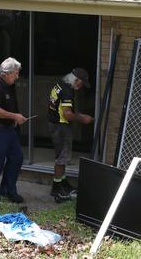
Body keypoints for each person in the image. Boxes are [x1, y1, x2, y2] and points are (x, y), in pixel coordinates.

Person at [0, 57, 29, 203]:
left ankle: (8, 190)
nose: (17, 76)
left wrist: (14, 120)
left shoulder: (9, 85)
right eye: (16, 73)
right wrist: (14, 116)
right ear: (7, 73)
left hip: (9, 129)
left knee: (17, 157)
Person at [48, 67, 94, 198]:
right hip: (61, 127)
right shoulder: (68, 91)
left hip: (53, 123)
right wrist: (83, 118)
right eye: (81, 83)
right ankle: (57, 188)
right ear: (76, 79)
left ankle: (63, 182)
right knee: (62, 158)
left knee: (61, 156)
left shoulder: (61, 84)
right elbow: (67, 114)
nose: (81, 86)